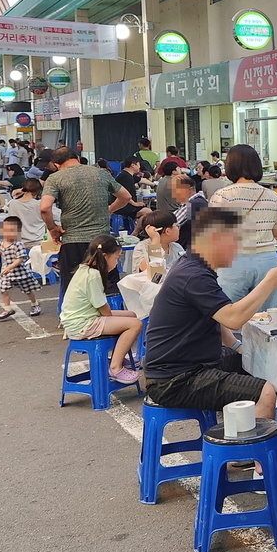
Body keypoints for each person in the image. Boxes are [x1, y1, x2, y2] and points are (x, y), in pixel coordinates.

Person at [143, 207, 277, 417]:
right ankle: (253, 447)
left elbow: (217, 317)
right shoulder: (194, 275)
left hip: (191, 362)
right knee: (265, 393)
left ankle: (253, 430)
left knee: (258, 361)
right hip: (175, 378)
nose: (238, 250)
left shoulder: (193, 266)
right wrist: (269, 282)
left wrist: (239, 347)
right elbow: (233, 318)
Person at [40, 146, 134, 298]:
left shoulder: (55, 178)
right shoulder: (101, 173)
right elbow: (126, 197)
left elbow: (45, 208)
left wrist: (52, 228)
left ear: (56, 164)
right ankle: (111, 318)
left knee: (74, 289)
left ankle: (73, 321)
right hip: (103, 241)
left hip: (73, 242)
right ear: (77, 158)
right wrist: (109, 209)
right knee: (108, 289)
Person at [59, 235, 142, 384]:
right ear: (105, 256)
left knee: (132, 315)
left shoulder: (85, 269)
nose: (117, 263)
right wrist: (119, 318)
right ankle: (115, 367)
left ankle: (118, 356)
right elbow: (104, 310)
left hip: (82, 317)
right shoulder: (94, 275)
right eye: (116, 258)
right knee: (135, 324)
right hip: (83, 323)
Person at [207, 144, 277, 306]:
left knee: (231, 315)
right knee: (266, 317)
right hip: (267, 261)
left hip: (233, 261)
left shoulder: (222, 196)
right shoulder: (273, 196)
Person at [0, 217, 42, 320]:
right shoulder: (1, 243)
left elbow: (19, 259)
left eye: (12, 231)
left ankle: (34, 304)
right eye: (6, 230)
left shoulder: (19, 244)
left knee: (28, 290)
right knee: (3, 289)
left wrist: (9, 267)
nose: (8, 233)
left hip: (20, 272)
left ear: (18, 232)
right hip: (7, 273)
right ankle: (7, 308)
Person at [132, 210, 185, 277]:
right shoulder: (142, 247)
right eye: (176, 225)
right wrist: (155, 240)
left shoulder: (177, 247)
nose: (178, 228)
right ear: (167, 231)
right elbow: (154, 274)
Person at [171, 171, 209, 249]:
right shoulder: (200, 201)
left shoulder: (192, 205)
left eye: (176, 190)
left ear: (189, 189)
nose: (173, 194)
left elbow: (170, 224)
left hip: (185, 250)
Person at [4, 178, 48, 243]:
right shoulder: (40, 204)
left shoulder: (12, 203)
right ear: (38, 192)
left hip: (18, 243)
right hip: (38, 241)